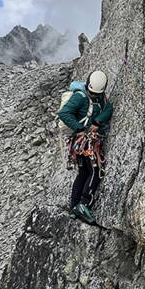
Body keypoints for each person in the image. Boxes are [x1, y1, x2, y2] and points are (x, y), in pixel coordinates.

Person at [58, 69, 113, 223]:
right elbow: (64, 113)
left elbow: (109, 108)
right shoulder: (79, 97)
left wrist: (97, 121)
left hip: (82, 142)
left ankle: (74, 207)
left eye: (96, 94)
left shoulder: (100, 96)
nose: (94, 95)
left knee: (83, 172)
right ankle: (83, 204)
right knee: (96, 171)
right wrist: (80, 128)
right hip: (85, 140)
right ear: (87, 86)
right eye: (92, 93)